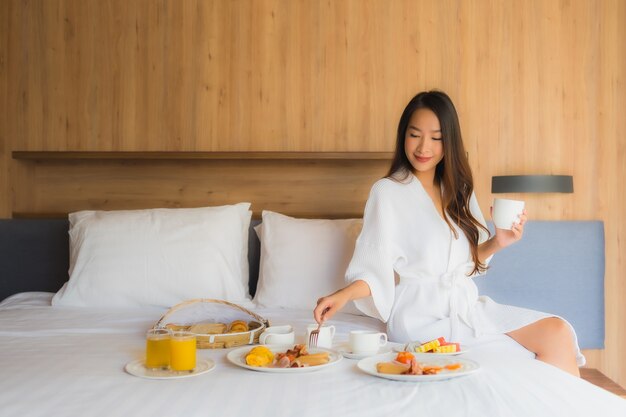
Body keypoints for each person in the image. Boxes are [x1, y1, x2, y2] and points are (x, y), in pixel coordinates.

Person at [313, 90, 583, 377]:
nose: (423, 146)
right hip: (419, 316)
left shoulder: (459, 190)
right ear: (403, 135)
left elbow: (468, 261)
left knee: (558, 333)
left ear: (449, 141)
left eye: (436, 137)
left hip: (466, 307)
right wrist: (342, 296)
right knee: (508, 362)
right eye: (415, 134)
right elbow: (374, 267)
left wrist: (498, 241)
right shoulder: (387, 192)